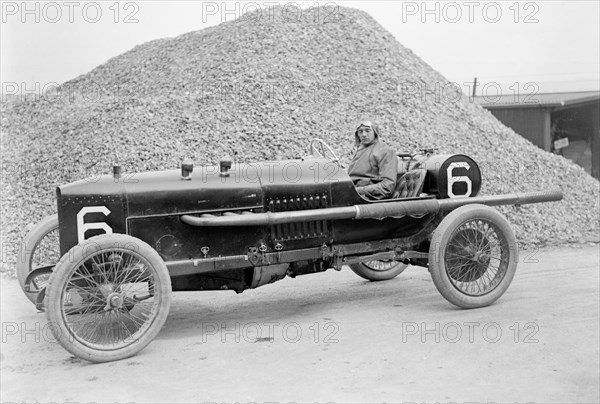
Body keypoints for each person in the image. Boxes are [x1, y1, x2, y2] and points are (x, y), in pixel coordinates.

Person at [347, 121, 398, 200]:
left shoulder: (384, 151)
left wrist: (358, 191)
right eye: (360, 131)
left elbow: (387, 186)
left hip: (367, 197)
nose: (363, 134)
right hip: (352, 190)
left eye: (368, 130)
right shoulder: (360, 149)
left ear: (375, 132)